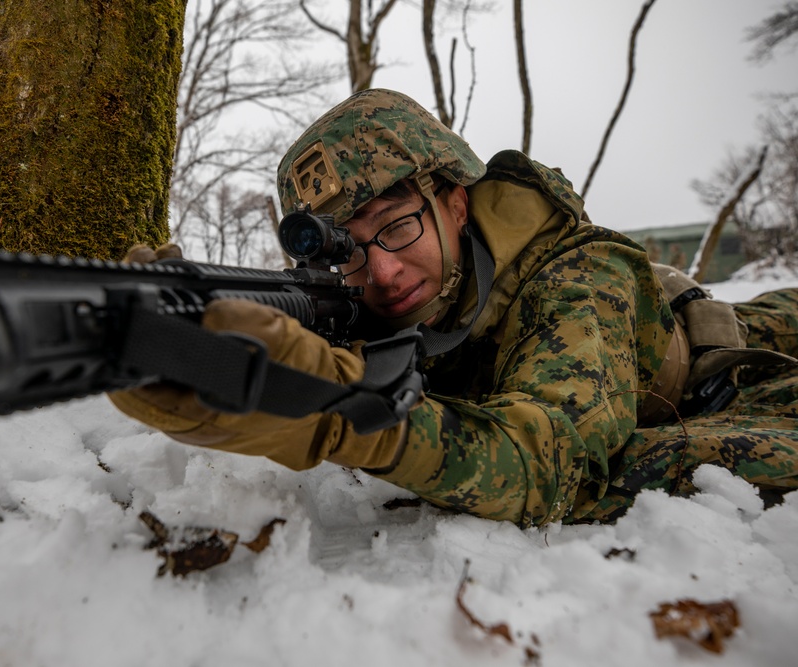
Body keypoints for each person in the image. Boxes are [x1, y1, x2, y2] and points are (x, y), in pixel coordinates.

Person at [109, 89, 798, 526]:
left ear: (456, 202)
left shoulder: (578, 279)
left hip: (737, 354)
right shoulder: (367, 289)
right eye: (348, 249)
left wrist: (340, 411)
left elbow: (546, 467)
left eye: (398, 225)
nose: (381, 270)